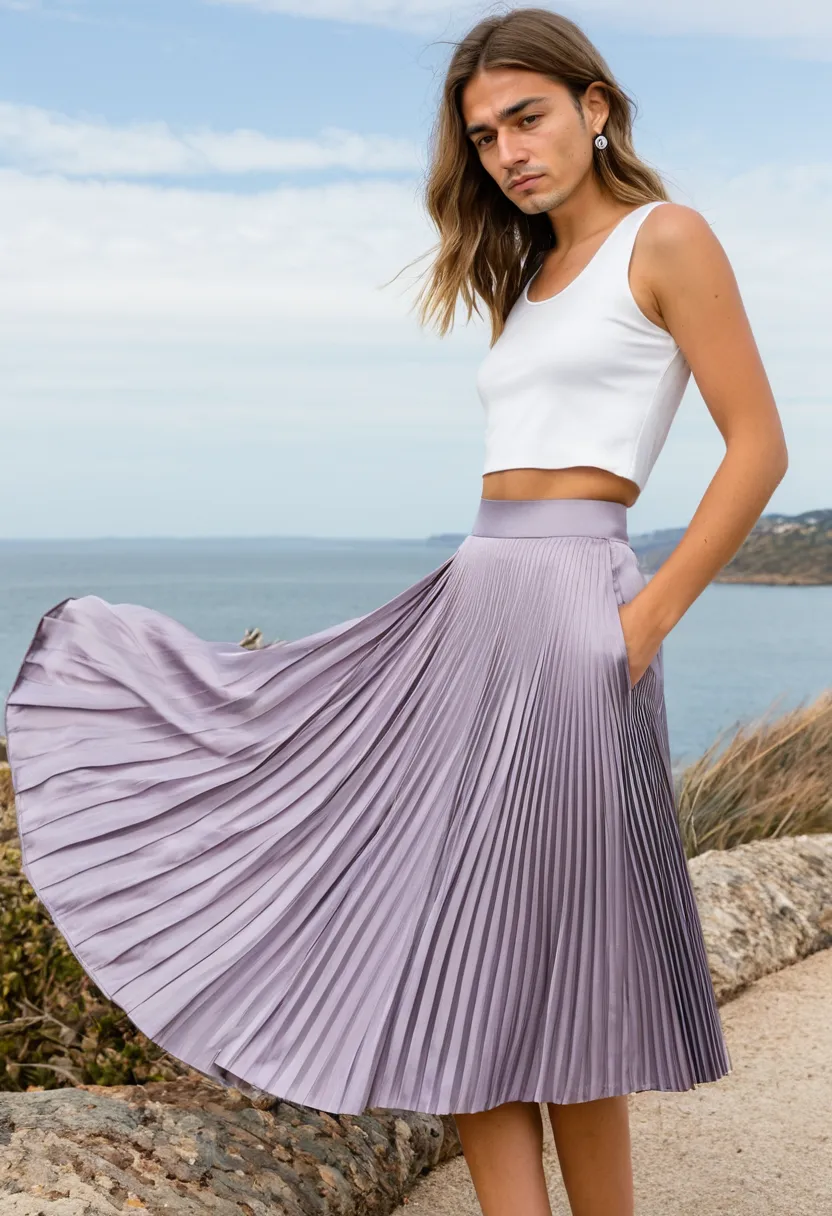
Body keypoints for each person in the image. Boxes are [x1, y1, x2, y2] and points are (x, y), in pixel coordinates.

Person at [4, 7, 788, 1216]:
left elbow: (758, 448)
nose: (506, 151)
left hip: (578, 606)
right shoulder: (528, 275)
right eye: (482, 137)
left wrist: (645, 622)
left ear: (596, 106)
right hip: (473, 601)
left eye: (526, 117)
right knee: (452, 957)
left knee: (563, 966)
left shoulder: (666, 236)